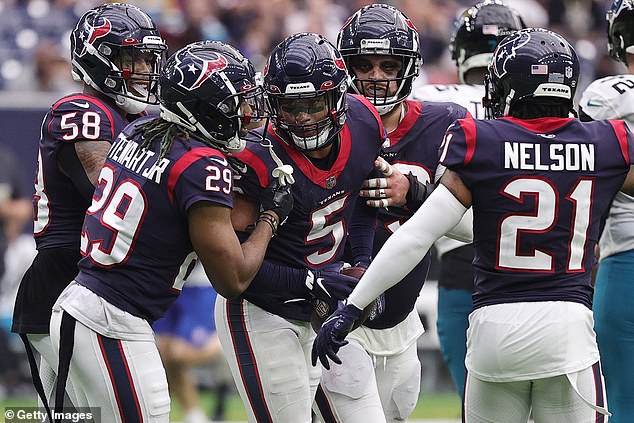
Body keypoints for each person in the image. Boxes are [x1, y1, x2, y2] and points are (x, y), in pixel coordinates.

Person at [314, 28, 631, 422]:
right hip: (567, 330)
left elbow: (415, 236)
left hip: (493, 331)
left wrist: (353, 305)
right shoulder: (609, 142)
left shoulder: (482, 140)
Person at [48, 40, 293, 422]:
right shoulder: (203, 165)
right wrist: (272, 217)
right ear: (205, 108)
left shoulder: (141, 129)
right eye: (234, 104)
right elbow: (234, 278)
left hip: (82, 304)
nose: (245, 114)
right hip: (111, 321)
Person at [213, 32, 385, 423]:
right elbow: (236, 270)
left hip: (327, 305)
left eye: (312, 103)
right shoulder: (254, 157)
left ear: (337, 98)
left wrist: (361, 262)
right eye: (289, 107)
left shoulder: (364, 123)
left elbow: (363, 203)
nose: (303, 116)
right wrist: (312, 282)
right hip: (263, 310)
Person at [311, 5, 468, 422]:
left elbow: (478, 227)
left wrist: (418, 194)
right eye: (362, 65)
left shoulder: (443, 124)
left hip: (402, 320)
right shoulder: (316, 126)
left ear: (409, 68)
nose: (375, 76)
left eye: (388, 65)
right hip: (336, 308)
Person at [11, 2, 167, 412]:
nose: (144, 70)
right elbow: (107, 190)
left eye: (148, 59)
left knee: (79, 417)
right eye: (132, 58)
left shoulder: (129, 118)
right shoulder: (83, 111)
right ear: (101, 61)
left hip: (85, 282)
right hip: (66, 277)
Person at [409, 0, 525, 399]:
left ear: (460, 52)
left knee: (478, 405)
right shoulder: (541, 111)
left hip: (461, 265)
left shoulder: (427, 100)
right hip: (543, 269)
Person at [578, 1, 634, 421]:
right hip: (622, 261)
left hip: (624, 265)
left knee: (622, 404)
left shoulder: (606, 95)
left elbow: (585, 173)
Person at [154, 261, 225, 423]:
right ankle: (194, 415)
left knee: (182, 351)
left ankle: (225, 342)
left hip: (199, 285)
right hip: (168, 283)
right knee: (164, 352)